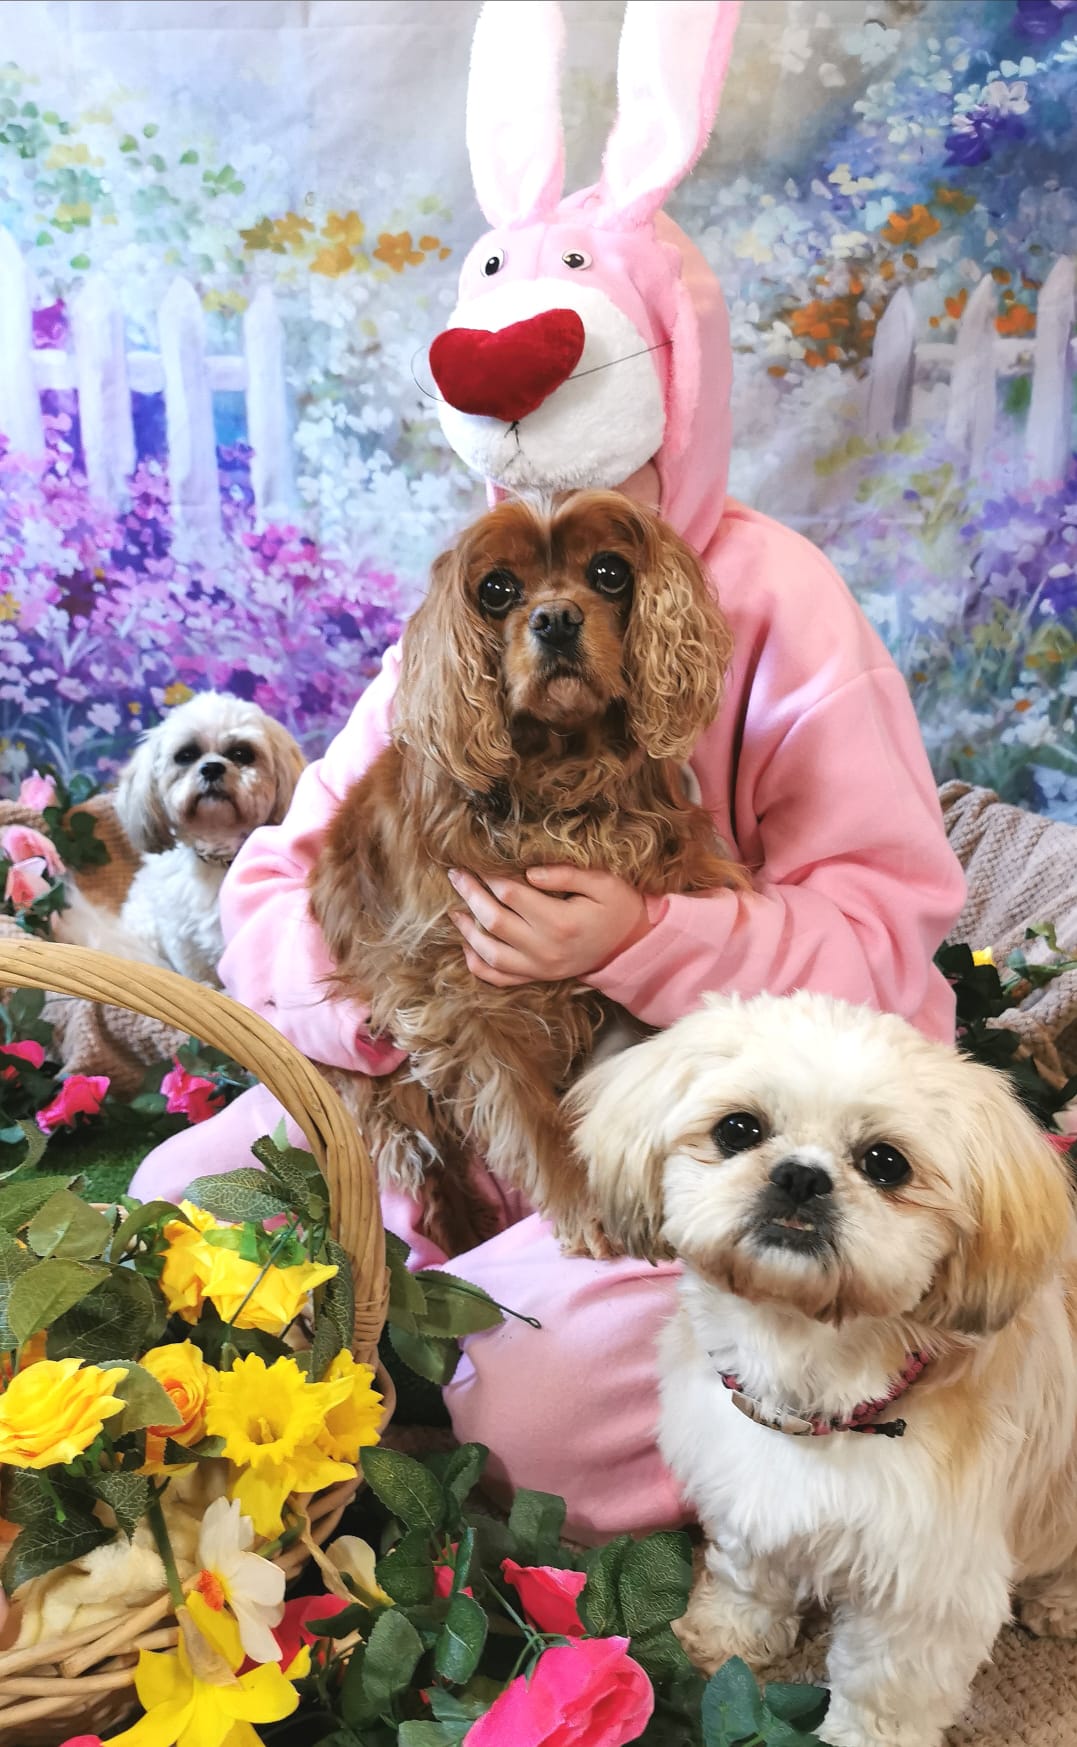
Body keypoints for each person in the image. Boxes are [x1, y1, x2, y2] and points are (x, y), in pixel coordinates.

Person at [131, 0, 965, 1543]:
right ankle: (362, 1380)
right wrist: (380, 1004)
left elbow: (887, 930)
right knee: (174, 1211)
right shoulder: (459, 613)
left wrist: (644, 942)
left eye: (601, 554)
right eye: (523, 567)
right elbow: (285, 872)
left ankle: (412, 1403)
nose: (557, 599)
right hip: (443, 1095)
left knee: (508, 1382)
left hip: (697, 1132)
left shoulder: (782, 599)